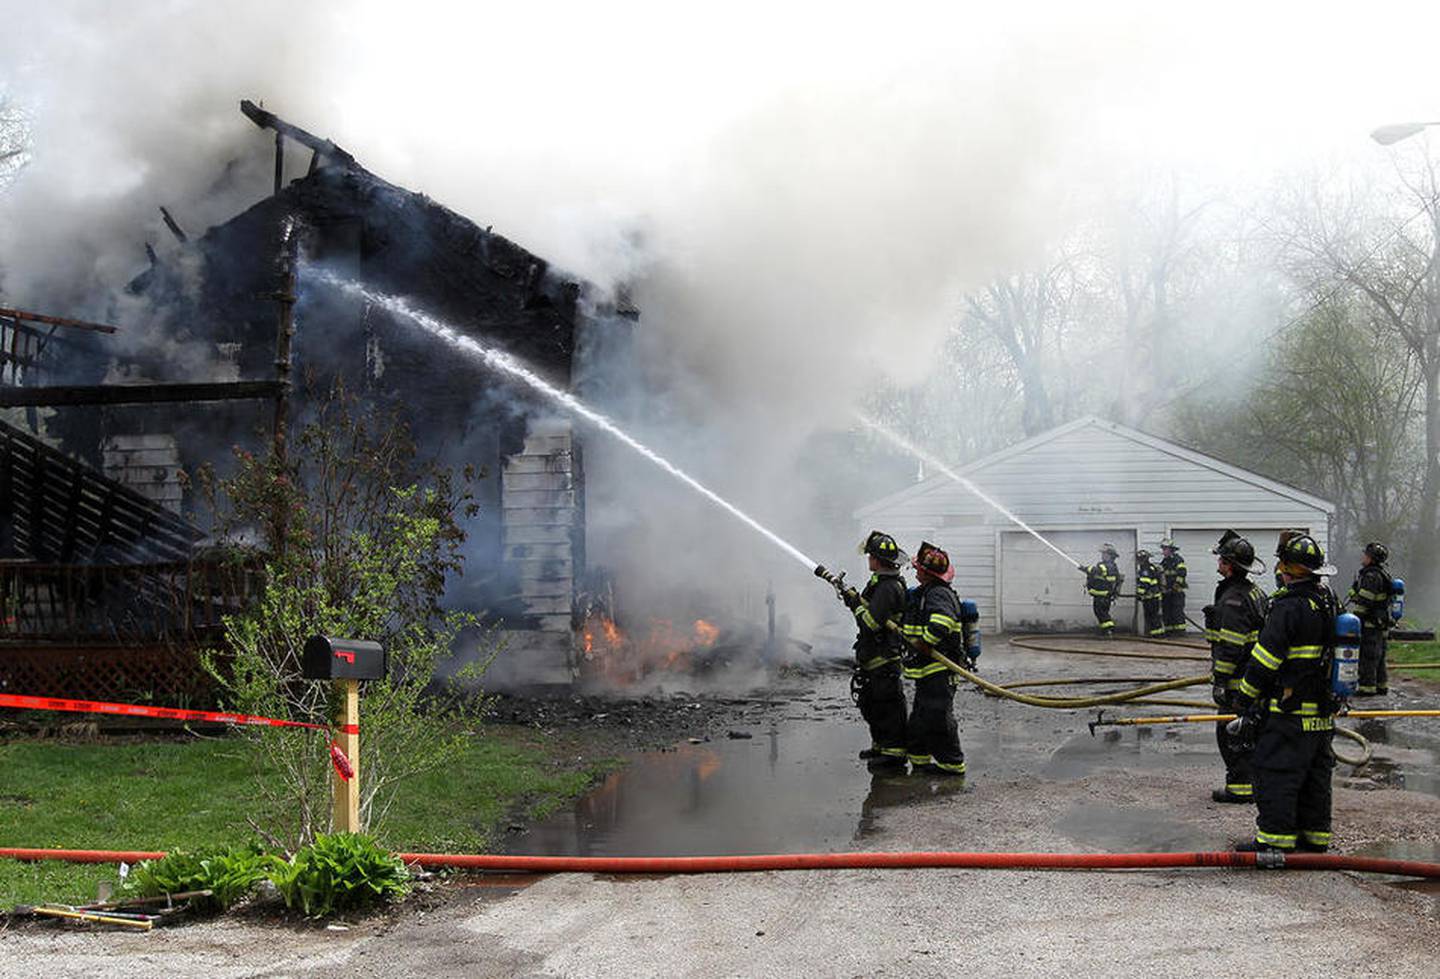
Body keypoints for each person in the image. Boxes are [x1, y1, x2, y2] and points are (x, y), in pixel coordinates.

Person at [1228, 533, 1339, 853]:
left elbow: (1265, 660)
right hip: (1322, 713)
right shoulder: (1329, 602)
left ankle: (1275, 840)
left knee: (1276, 771)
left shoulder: (1288, 606)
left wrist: (1244, 698)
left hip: (1289, 711)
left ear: (1287, 568)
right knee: (1316, 775)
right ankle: (1315, 836)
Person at [1203, 530, 1268, 804]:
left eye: (1221, 559)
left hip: (1238, 681)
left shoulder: (1234, 599)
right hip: (1253, 677)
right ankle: (1254, 782)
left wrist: (1220, 679)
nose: (1218, 562)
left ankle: (1240, 788)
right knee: (1250, 730)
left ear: (1229, 565)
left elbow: (1231, 645)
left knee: (1232, 732)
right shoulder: (1254, 591)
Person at [899, 541, 969, 777]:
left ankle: (952, 764)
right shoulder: (926, 592)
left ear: (927, 573)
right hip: (927, 668)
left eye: (918, 569)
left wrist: (925, 643)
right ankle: (920, 760)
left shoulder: (938, 593)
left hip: (940, 668)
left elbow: (943, 622)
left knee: (938, 716)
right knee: (921, 716)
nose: (915, 572)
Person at [841, 531, 910, 768]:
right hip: (874, 656)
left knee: (888, 706)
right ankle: (881, 745)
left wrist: (855, 606)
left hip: (884, 657)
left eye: (871, 556)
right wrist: (853, 599)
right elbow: (869, 607)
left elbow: (870, 623)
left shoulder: (888, 587)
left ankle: (894, 753)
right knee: (872, 705)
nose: (868, 559)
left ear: (878, 560)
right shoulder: (880, 582)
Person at [1346, 541, 1395, 697]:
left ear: (1371, 558)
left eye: (1366, 555)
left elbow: (1366, 601)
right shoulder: (1381, 574)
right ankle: (1381, 686)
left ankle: (1367, 688)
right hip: (1380, 623)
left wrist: (1355, 620)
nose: (1363, 557)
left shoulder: (1371, 576)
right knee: (1379, 657)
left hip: (1370, 623)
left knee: (1368, 657)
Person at [1078, 544, 1122, 637]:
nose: (1102, 555)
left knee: (1101, 613)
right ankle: (1105, 630)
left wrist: (1084, 568)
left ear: (1110, 556)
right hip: (1104, 595)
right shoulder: (1113, 566)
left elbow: (1095, 570)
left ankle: (1109, 630)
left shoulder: (1105, 566)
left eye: (1104, 554)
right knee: (1102, 612)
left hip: (1102, 595)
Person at [1159, 538, 1188, 635]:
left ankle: (1180, 631)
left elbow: (1182, 573)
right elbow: (1162, 575)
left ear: (1170, 549)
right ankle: (1169, 631)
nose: (1163, 551)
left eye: (1165, 549)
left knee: (1177, 611)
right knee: (1167, 611)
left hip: (1177, 591)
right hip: (1167, 592)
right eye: (1163, 549)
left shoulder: (1178, 560)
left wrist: (1176, 585)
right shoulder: (1164, 561)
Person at [1135, 550, 1165, 638]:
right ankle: (1155, 633)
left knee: (1152, 616)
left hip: (1151, 597)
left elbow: (1145, 583)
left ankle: (1157, 634)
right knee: (1153, 616)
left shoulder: (1145, 569)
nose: (1138, 561)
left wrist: (1139, 594)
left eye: (1139, 559)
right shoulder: (1151, 567)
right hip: (1153, 597)